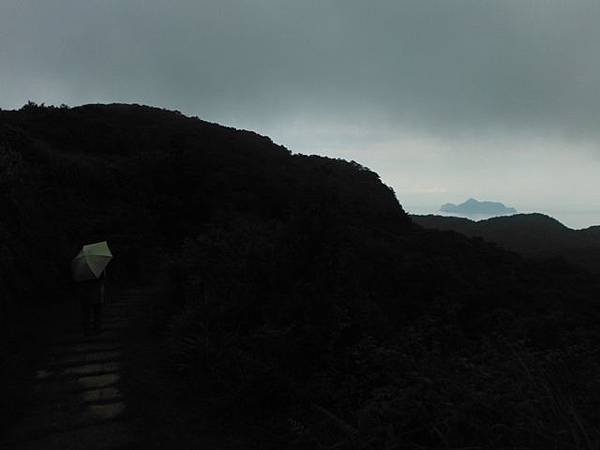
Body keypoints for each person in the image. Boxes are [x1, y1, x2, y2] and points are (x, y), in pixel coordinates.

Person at [81, 270, 106, 335]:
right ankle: (97, 328)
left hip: (86, 293)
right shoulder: (98, 268)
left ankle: (87, 329)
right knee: (97, 312)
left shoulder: (82, 270)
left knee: (87, 313)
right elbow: (103, 279)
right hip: (96, 292)